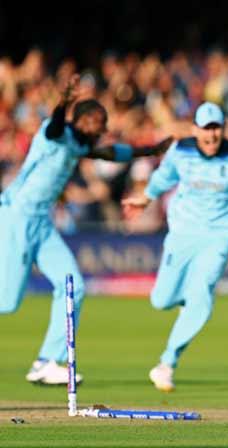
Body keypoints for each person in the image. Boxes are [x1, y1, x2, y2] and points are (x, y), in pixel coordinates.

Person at [0, 75, 172, 385]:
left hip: (42, 222)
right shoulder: (55, 134)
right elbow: (54, 125)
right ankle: (47, 361)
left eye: (101, 122)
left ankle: (46, 362)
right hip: (16, 216)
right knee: (7, 302)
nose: (98, 126)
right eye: (92, 120)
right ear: (77, 120)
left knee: (73, 286)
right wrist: (64, 101)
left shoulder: (80, 146)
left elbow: (112, 153)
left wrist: (153, 150)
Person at [122, 102, 228, 392]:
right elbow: (163, 178)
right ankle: (188, 304)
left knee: (201, 297)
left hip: (219, 237)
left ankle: (166, 363)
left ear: (223, 129)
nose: (211, 135)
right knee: (161, 300)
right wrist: (145, 198)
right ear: (195, 129)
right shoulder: (181, 150)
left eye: (216, 128)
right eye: (206, 129)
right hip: (182, 233)